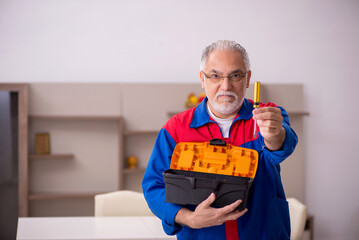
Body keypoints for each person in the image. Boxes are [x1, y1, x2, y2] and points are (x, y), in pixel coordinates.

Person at [142, 40, 298, 240]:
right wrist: (188, 218)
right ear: (202, 79)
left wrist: (275, 135)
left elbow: (283, 145)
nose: (226, 86)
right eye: (215, 76)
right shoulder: (176, 129)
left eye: (235, 75)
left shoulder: (268, 116)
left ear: (247, 78)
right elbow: (154, 185)